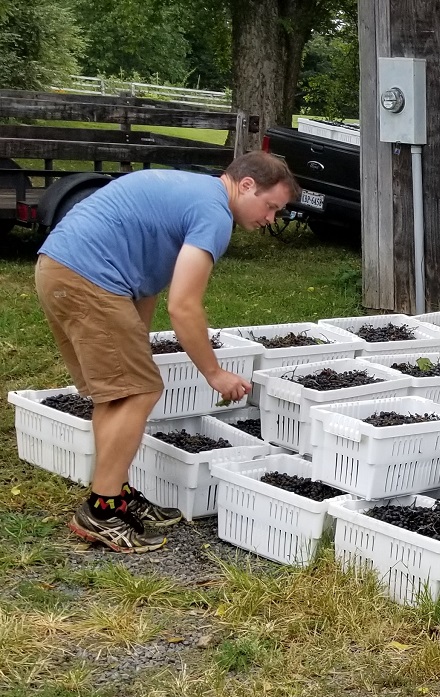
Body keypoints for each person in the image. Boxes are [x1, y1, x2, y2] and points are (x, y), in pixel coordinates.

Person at [35, 152, 298, 553]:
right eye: (271, 206)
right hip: (88, 275)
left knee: (120, 391)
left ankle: (114, 494)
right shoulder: (213, 213)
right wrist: (215, 374)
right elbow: (184, 305)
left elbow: (146, 280)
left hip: (62, 267)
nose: (271, 218)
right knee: (140, 390)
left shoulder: (194, 193)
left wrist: (134, 339)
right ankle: (102, 510)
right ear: (246, 185)